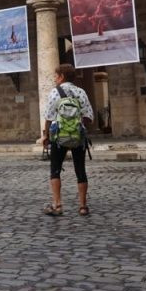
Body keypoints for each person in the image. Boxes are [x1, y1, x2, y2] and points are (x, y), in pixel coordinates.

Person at [42, 64, 95, 216]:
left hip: (59, 137)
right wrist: (77, 126)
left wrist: (45, 135)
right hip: (78, 136)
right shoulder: (81, 92)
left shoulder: (54, 93)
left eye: (56, 75)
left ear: (62, 76)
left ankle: (57, 205)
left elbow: (48, 116)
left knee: (55, 170)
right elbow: (89, 116)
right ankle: (83, 207)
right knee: (80, 170)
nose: (55, 78)